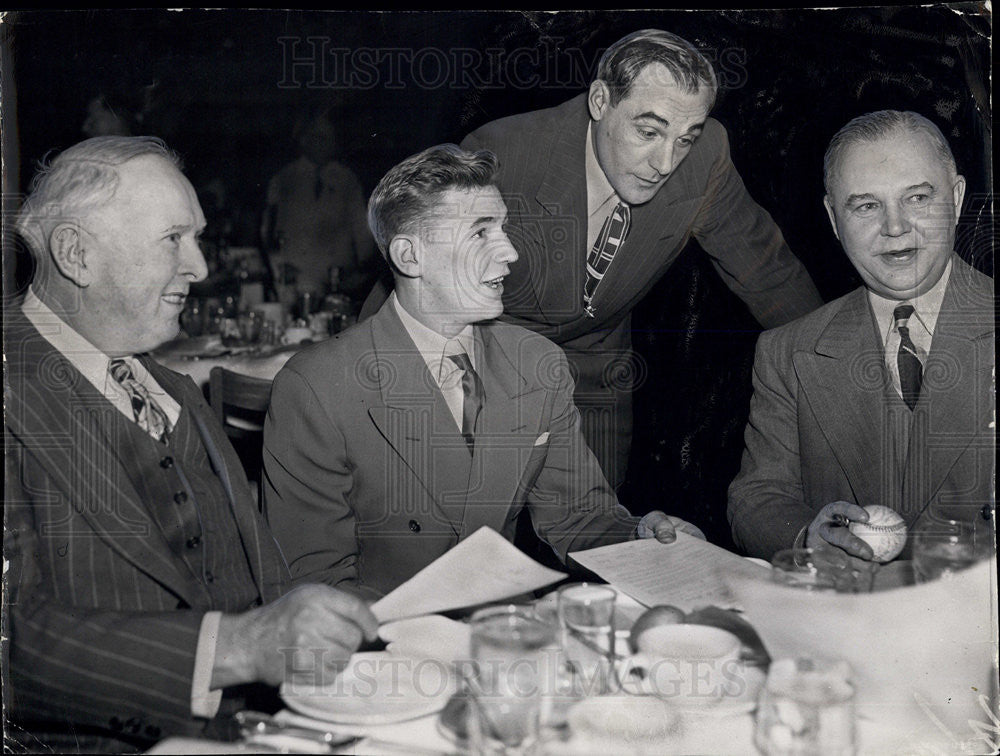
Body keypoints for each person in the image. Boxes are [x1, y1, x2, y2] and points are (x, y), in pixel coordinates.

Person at [3, 136, 378, 752]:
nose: (201, 267)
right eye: (173, 239)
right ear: (76, 254)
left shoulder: (174, 387)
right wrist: (240, 647)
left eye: (197, 238)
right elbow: (13, 641)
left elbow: (266, 586)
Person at [361, 29, 823, 490]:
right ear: (600, 101)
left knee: (598, 541)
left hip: (597, 371)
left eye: (685, 138)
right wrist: (360, 382)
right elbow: (412, 282)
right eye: (649, 131)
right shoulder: (506, 153)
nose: (666, 161)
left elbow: (769, 272)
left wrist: (833, 363)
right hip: (486, 358)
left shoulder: (705, 158)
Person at [263, 144, 701, 600]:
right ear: (410, 256)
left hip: (506, 630)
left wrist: (639, 540)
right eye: (479, 233)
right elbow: (314, 587)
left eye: (504, 228)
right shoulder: (316, 388)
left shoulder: (538, 363)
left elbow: (579, 518)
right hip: (387, 647)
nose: (510, 253)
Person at [727, 111, 994, 561]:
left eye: (917, 198)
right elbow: (756, 498)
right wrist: (806, 535)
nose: (894, 227)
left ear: (958, 197)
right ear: (834, 219)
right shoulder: (787, 352)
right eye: (866, 205)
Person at [261, 110, 376, 298]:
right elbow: (268, 232)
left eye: (329, 138)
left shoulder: (347, 179)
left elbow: (362, 229)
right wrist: (278, 267)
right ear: (304, 140)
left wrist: (363, 269)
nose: (325, 143)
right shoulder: (284, 178)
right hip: (294, 281)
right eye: (319, 137)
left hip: (338, 281)